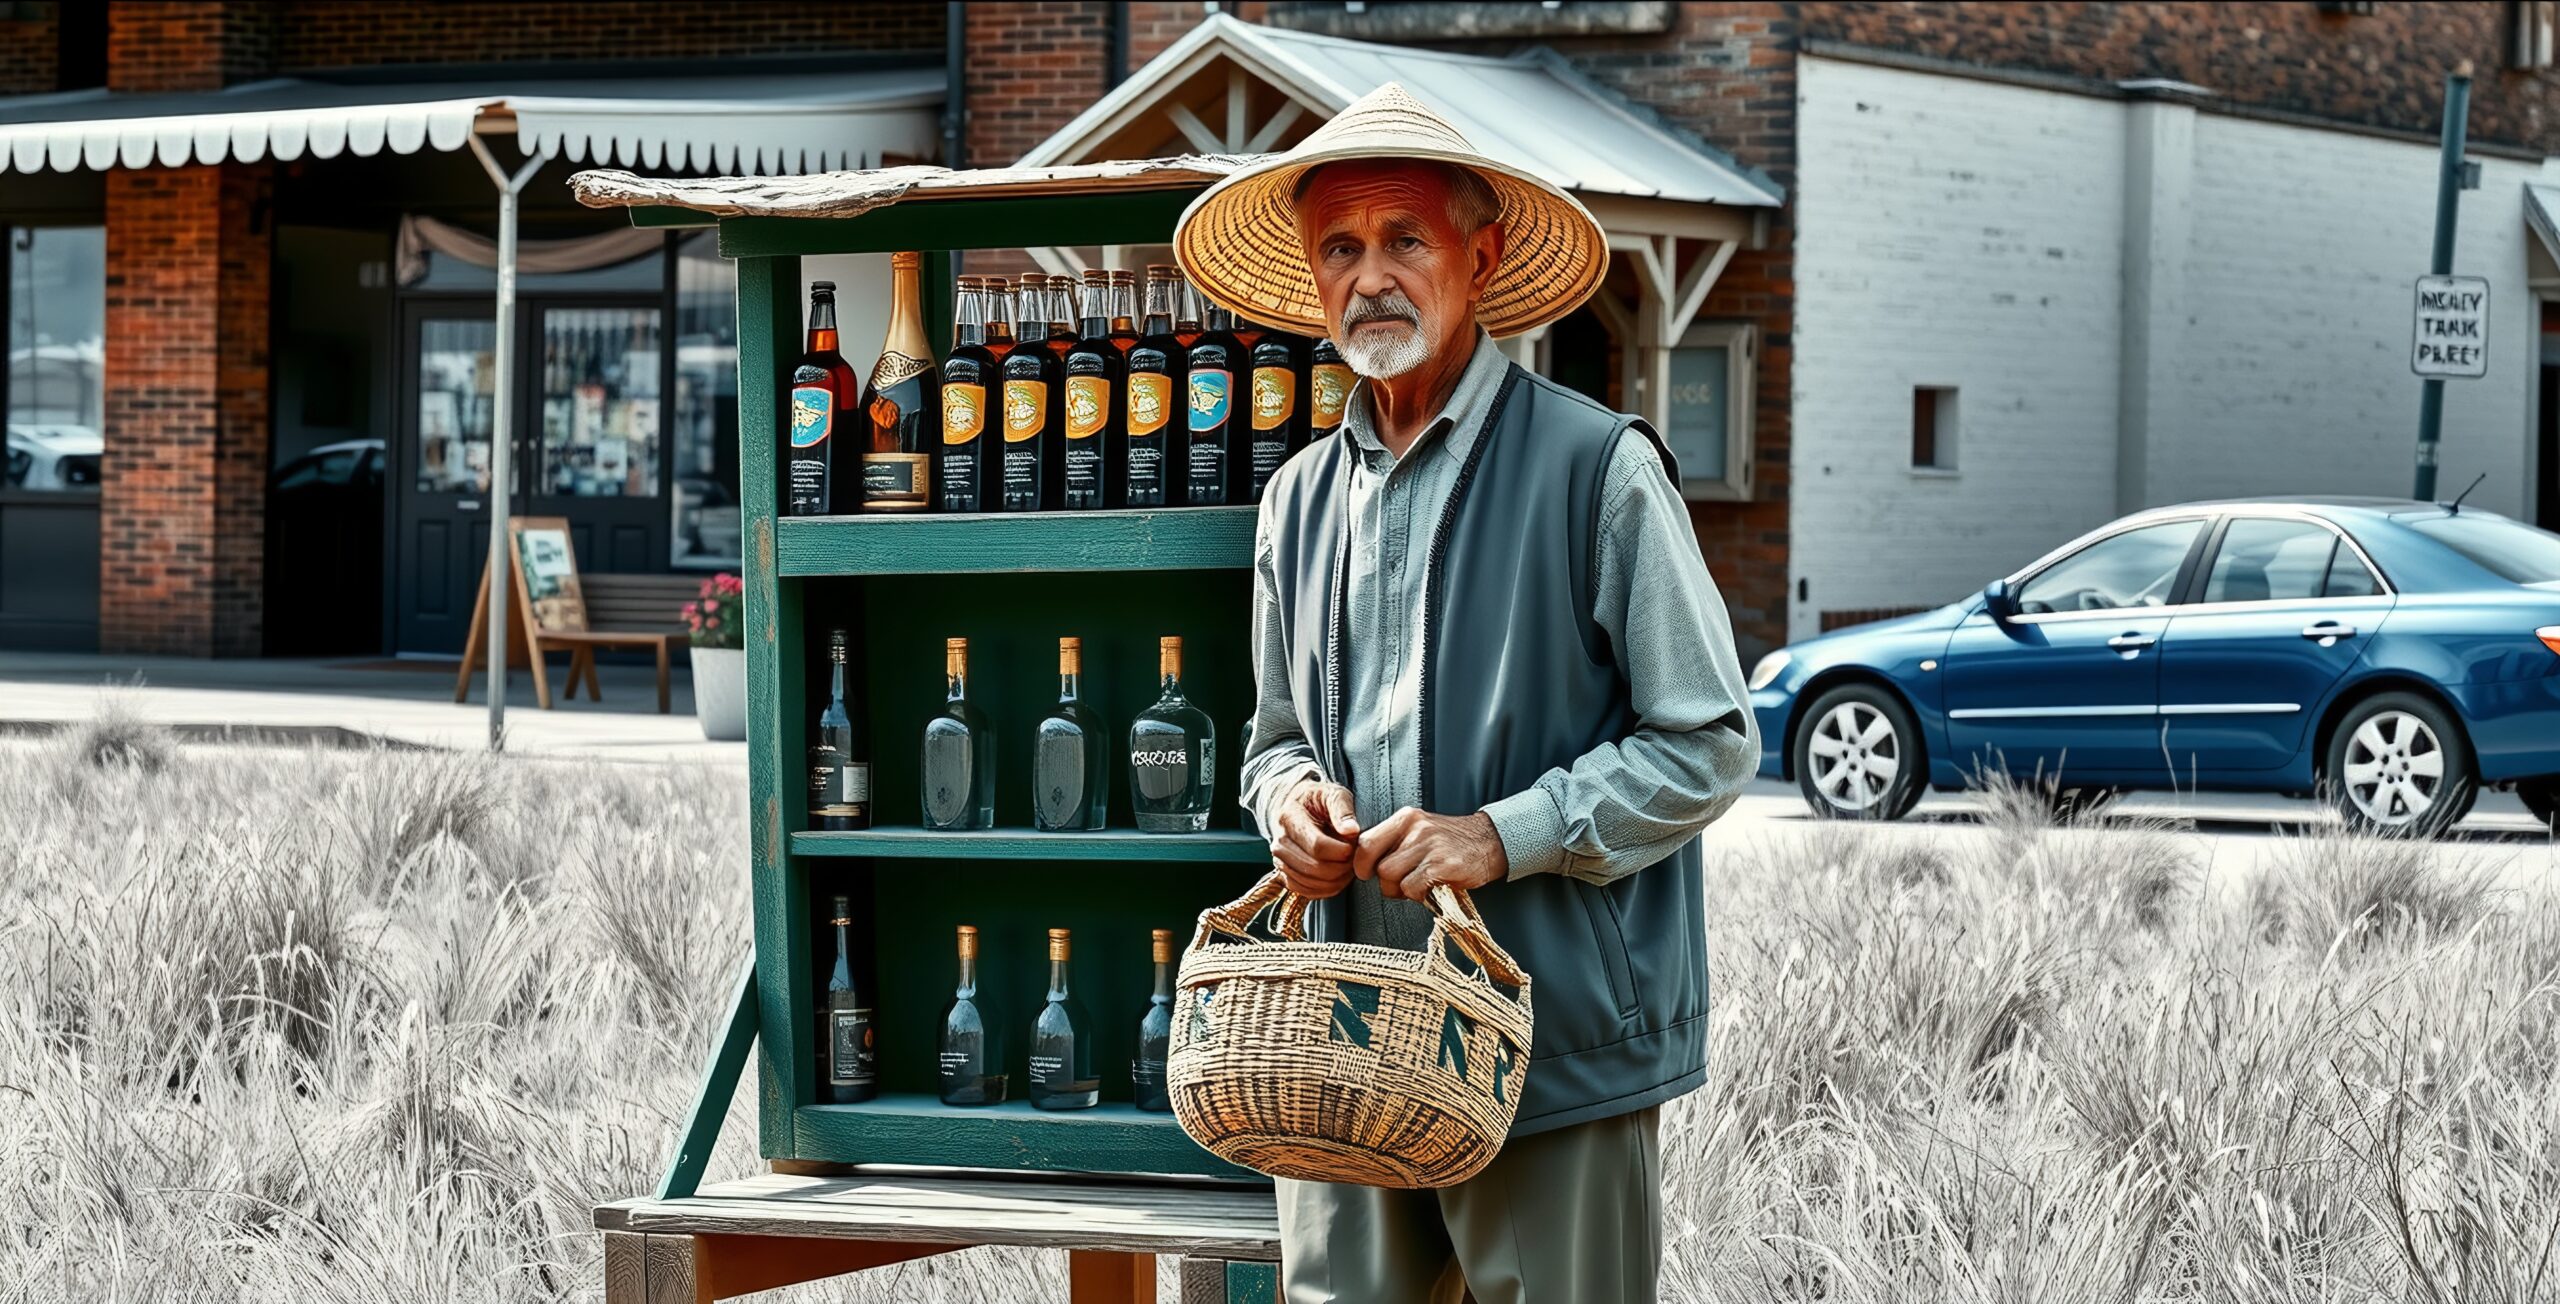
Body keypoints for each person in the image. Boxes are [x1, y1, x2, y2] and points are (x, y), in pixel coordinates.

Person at [1173, 84, 1761, 1303]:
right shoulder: (1295, 500)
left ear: (1480, 257)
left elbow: (1707, 740)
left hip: (1551, 1045)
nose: (1369, 275)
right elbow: (1273, 739)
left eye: (1405, 239)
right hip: (1337, 1045)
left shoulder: (1596, 468)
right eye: (1341, 245)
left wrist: (1502, 835)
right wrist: (1288, 806)